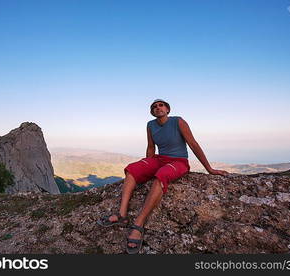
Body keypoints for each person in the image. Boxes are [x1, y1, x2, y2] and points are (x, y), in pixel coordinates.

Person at [97, 99, 229, 254]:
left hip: (179, 162)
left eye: (161, 105)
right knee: (132, 169)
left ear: (167, 109)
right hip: (159, 159)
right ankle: (122, 214)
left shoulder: (178, 122)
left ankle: (138, 224)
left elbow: (193, 144)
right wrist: (146, 165)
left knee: (161, 176)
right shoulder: (150, 125)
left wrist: (210, 169)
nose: (157, 108)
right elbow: (151, 147)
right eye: (154, 107)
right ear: (152, 112)